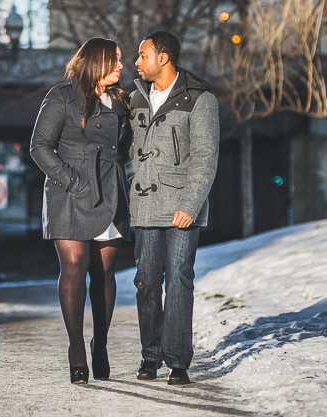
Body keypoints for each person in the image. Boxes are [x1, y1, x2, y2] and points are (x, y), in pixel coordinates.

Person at [30, 38, 133, 384]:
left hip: (109, 191)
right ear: (96, 62)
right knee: (75, 264)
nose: (121, 65)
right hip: (69, 192)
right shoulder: (62, 96)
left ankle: (100, 343)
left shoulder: (122, 100)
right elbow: (39, 146)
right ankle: (76, 348)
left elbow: (128, 148)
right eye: (115, 60)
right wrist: (72, 180)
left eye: (121, 60)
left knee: (103, 272)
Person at [127, 30, 219, 386]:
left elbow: (205, 158)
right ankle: (150, 356)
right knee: (146, 281)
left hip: (183, 206)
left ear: (163, 57)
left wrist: (190, 204)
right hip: (146, 204)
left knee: (179, 279)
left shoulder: (199, 98)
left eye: (142, 55)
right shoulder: (136, 98)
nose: (137, 62)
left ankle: (178, 362)